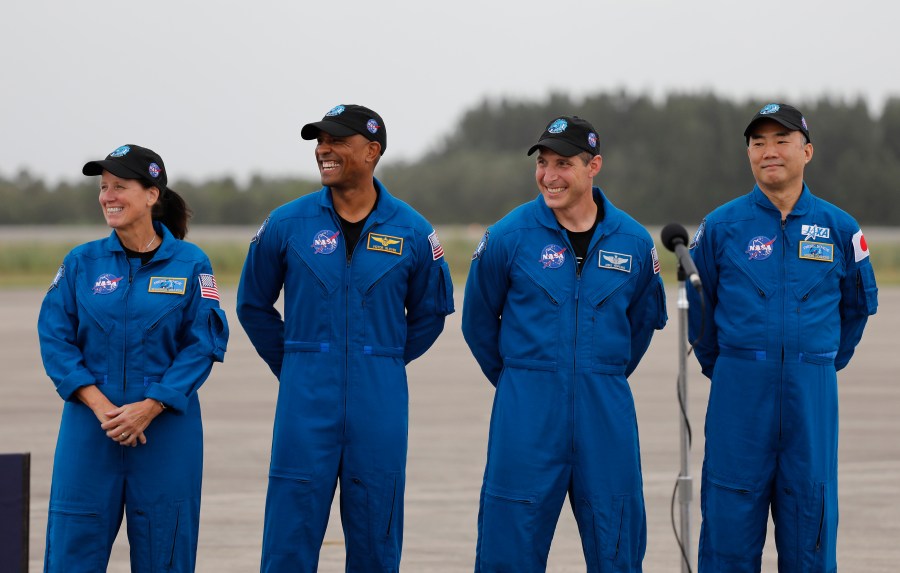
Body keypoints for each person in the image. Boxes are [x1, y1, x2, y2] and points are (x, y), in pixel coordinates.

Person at [236, 104, 454, 572]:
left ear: (372, 151)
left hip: (379, 402)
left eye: (336, 140)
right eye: (319, 141)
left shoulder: (412, 231)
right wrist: (296, 363)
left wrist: (384, 358)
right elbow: (252, 305)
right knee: (288, 537)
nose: (324, 150)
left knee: (377, 535)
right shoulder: (286, 224)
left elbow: (432, 313)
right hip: (305, 400)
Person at [462, 116, 667, 572]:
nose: (549, 176)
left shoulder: (634, 243)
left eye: (563, 164)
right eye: (543, 163)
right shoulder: (508, 237)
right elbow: (477, 323)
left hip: (606, 411)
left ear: (593, 165)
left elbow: (641, 325)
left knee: (617, 545)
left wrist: (599, 371)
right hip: (526, 412)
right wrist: (520, 378)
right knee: (507, 548)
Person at [688, 103, 879, 572]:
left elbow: (855, 310)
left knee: (809, 531)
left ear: (807, 151)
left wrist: (818, 362)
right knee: (728, 535)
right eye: (758, 142)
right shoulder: (719, 228)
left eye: (781, 140)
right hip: (738, 396)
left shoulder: (840, 228)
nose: (768, 151)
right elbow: (699, 309)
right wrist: (732, 366)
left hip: (809, 396)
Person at [38, 144, 229, 572]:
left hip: (165, 431)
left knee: (167, 550)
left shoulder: (190, 263)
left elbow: (205, 341)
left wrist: (152, 405)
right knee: (73, 550)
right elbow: (54, 337)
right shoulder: (81, 262)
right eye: (104, 187)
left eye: (120, 186)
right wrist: (101, 405)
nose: (108, 196)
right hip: (91, 430)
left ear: (151, 195)